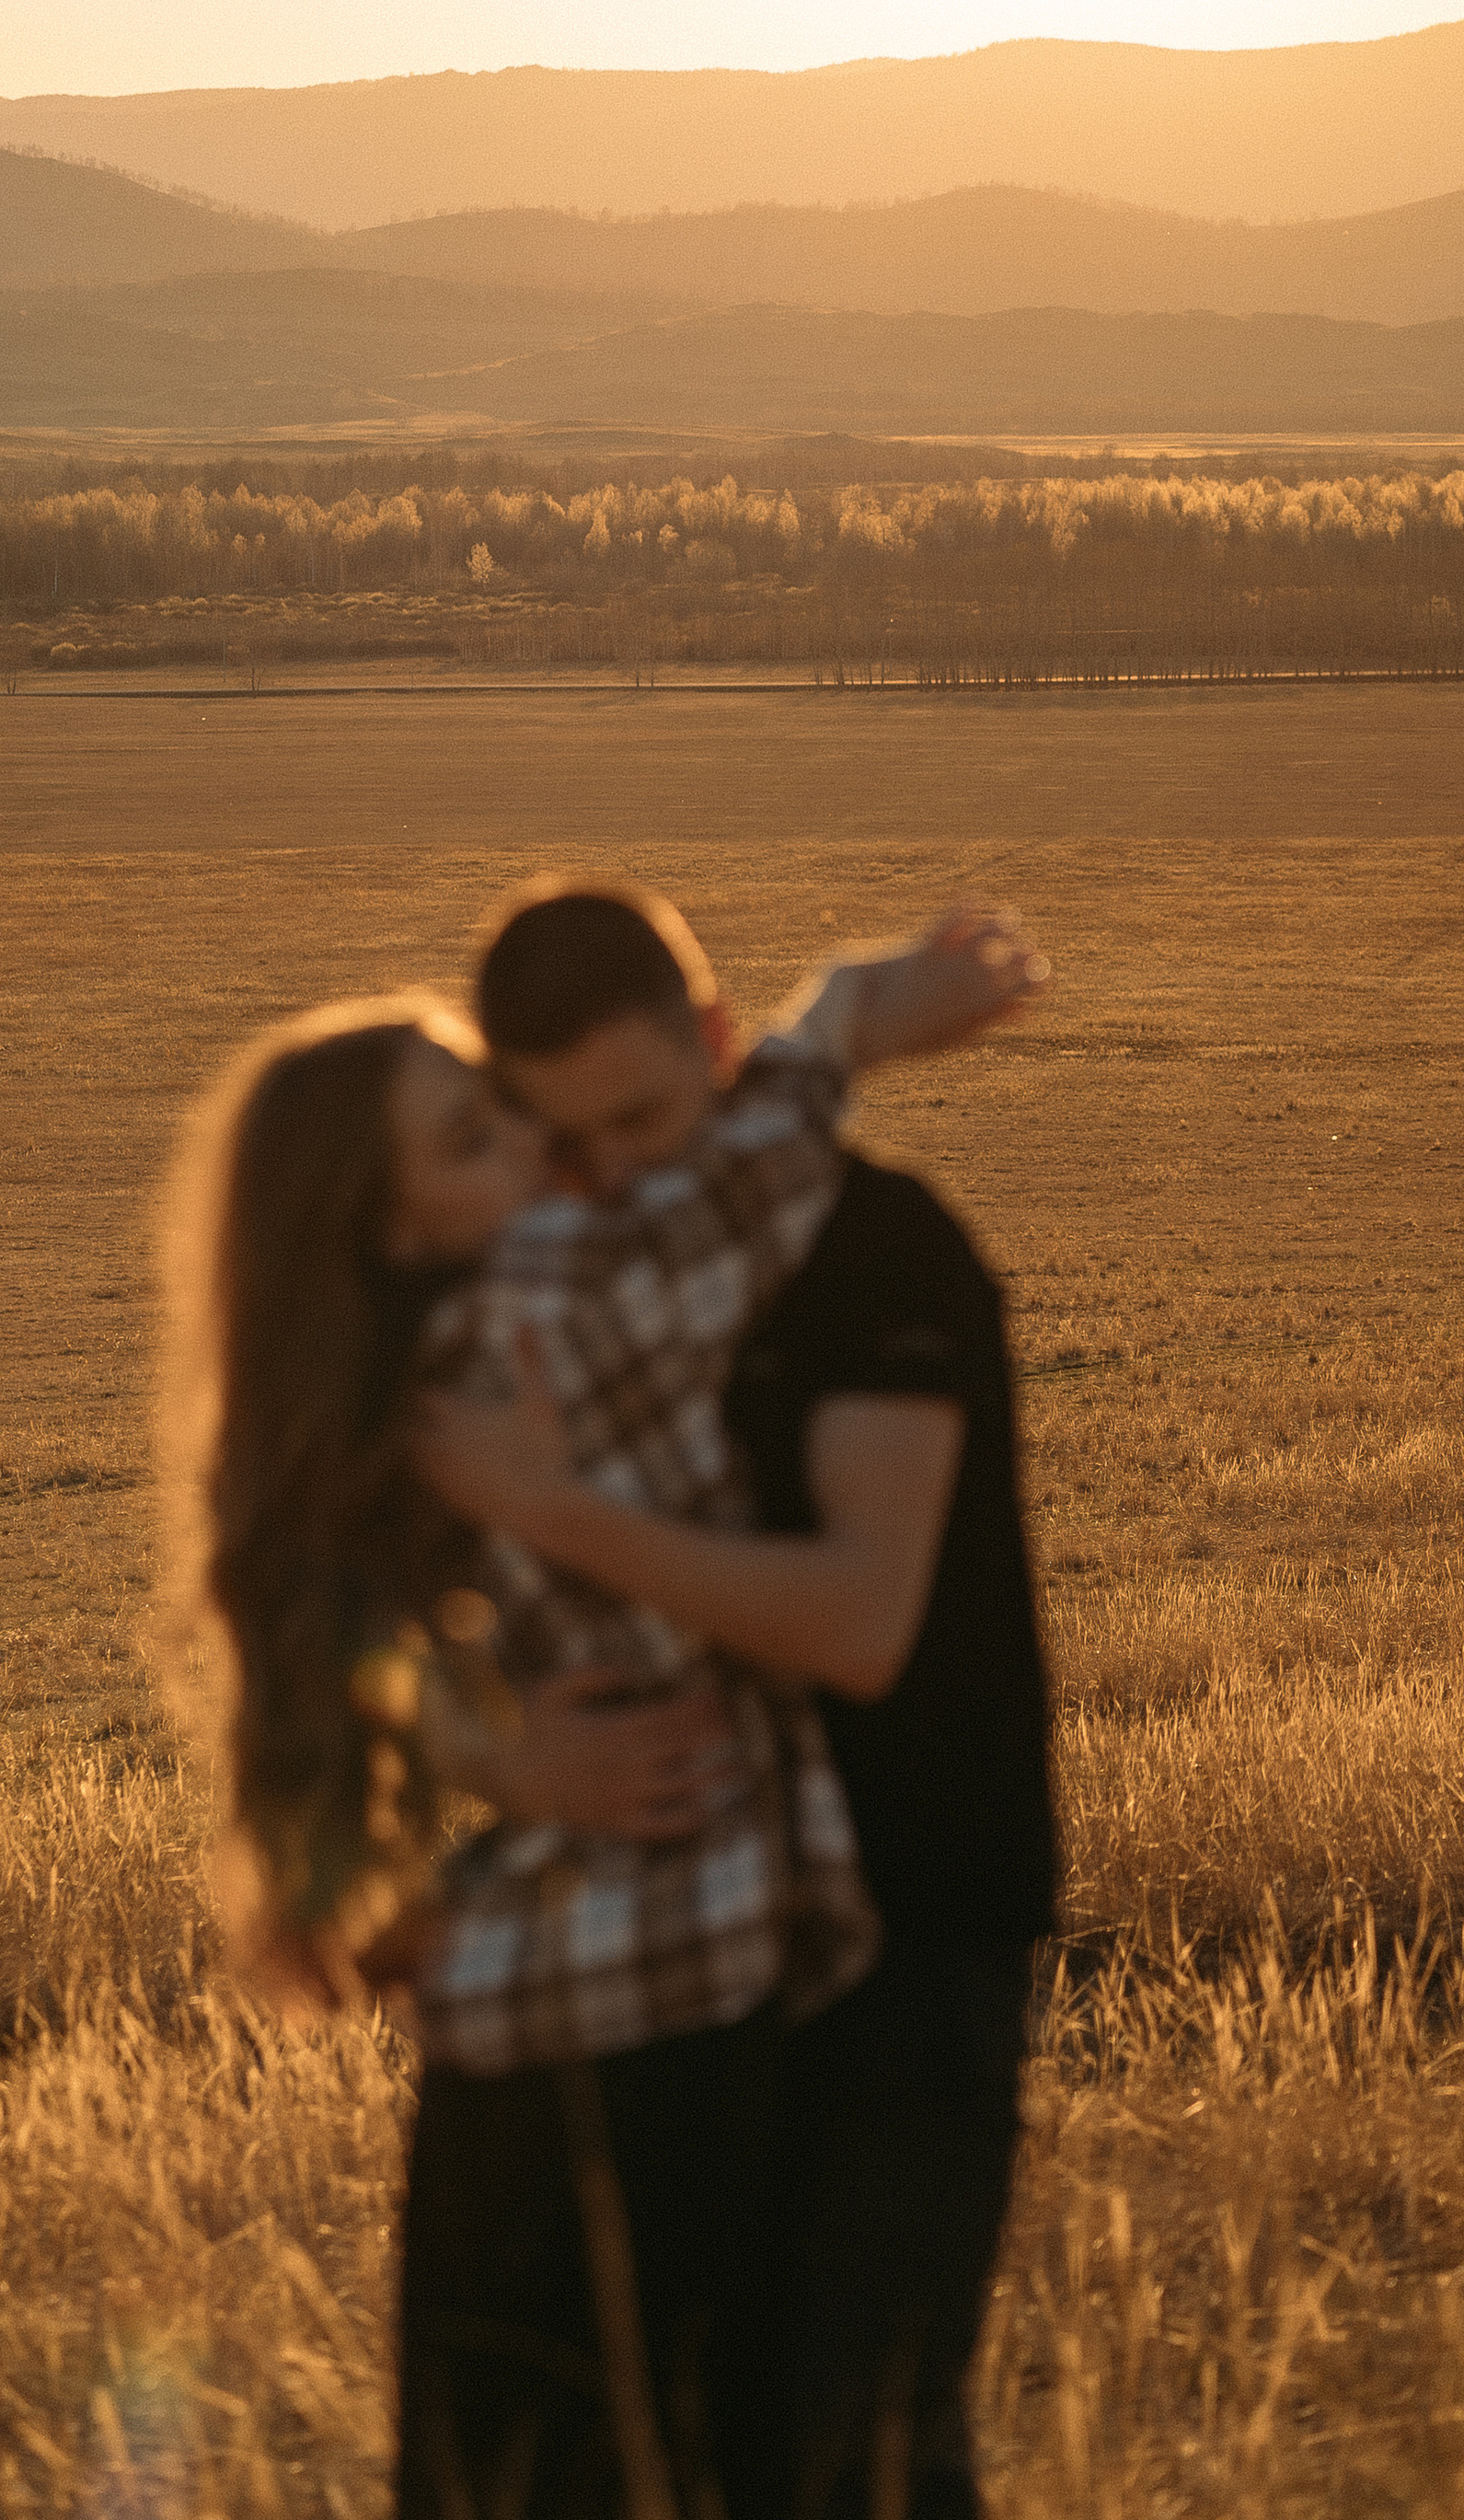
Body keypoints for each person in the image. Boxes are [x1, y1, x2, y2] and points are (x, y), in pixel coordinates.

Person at [157, 905, 1040, 2520]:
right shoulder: (553, 1295)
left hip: (512, 2005)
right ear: (393, 1214)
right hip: (668, 1997)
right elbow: (740, 1171)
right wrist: (840, 1016)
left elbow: (316, 1634)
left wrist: (486, 1751)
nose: (565, 1167)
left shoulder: (381, 1372)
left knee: (511, 2472)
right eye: (492, 1132)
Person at [421, 884, 1056, 2520]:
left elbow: (857, 1623)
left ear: (718, 1046)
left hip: (916, 1923)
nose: (617, 1175)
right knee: (708, 2454)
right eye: (567, 1147)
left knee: (864, 2455)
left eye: (644, 1116)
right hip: (694, 1947)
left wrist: (566, 1512)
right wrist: (504, 1754)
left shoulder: (870, 1246)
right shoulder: (559, 1280)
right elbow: (370, 1633)